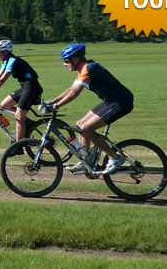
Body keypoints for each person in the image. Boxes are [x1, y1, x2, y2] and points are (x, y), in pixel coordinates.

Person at [41, 44, 133, 175]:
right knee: (80, 125)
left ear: (76, 59)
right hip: (110, 101)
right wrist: (51, 102)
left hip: (122, 102)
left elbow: (75, 93)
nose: (64, 64)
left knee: (87, 128)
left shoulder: (89, 68)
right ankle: (86, 161)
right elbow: (70, 89)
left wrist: (56, 106)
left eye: (66, 61)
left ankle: (115, 157)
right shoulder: (84, 68)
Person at [0, 39, 42, 146]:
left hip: (32, 89)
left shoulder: (12, 60)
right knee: (4, 105)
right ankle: (28, 123)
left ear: (5, 52)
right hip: (25, 88)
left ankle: (18, 146)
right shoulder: (6, 60)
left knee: (18, 117)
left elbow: (1, 80)